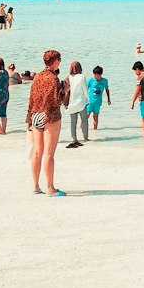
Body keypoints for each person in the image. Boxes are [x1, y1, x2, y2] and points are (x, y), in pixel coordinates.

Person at [26, 50, 65, 196]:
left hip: (36, 114)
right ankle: (50, 188)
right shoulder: (53, 78)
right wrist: (65, 89)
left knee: (37, 152)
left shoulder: (37, 77)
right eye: (59, 59)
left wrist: (29, 117)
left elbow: (32, 97)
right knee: (49, 154)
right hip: (50, 116)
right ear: (54, 61)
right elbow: (56, 101)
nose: (60, 62)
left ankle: (35, 186)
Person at [65, 60, 90, 148]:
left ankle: (74, 138)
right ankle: (86, 137)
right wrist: (88, 100)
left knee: (73, 122)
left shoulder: (69, 77)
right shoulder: (82, 77)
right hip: (81, 102)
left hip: (72, 103)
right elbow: (85, 90)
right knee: (84, 120)